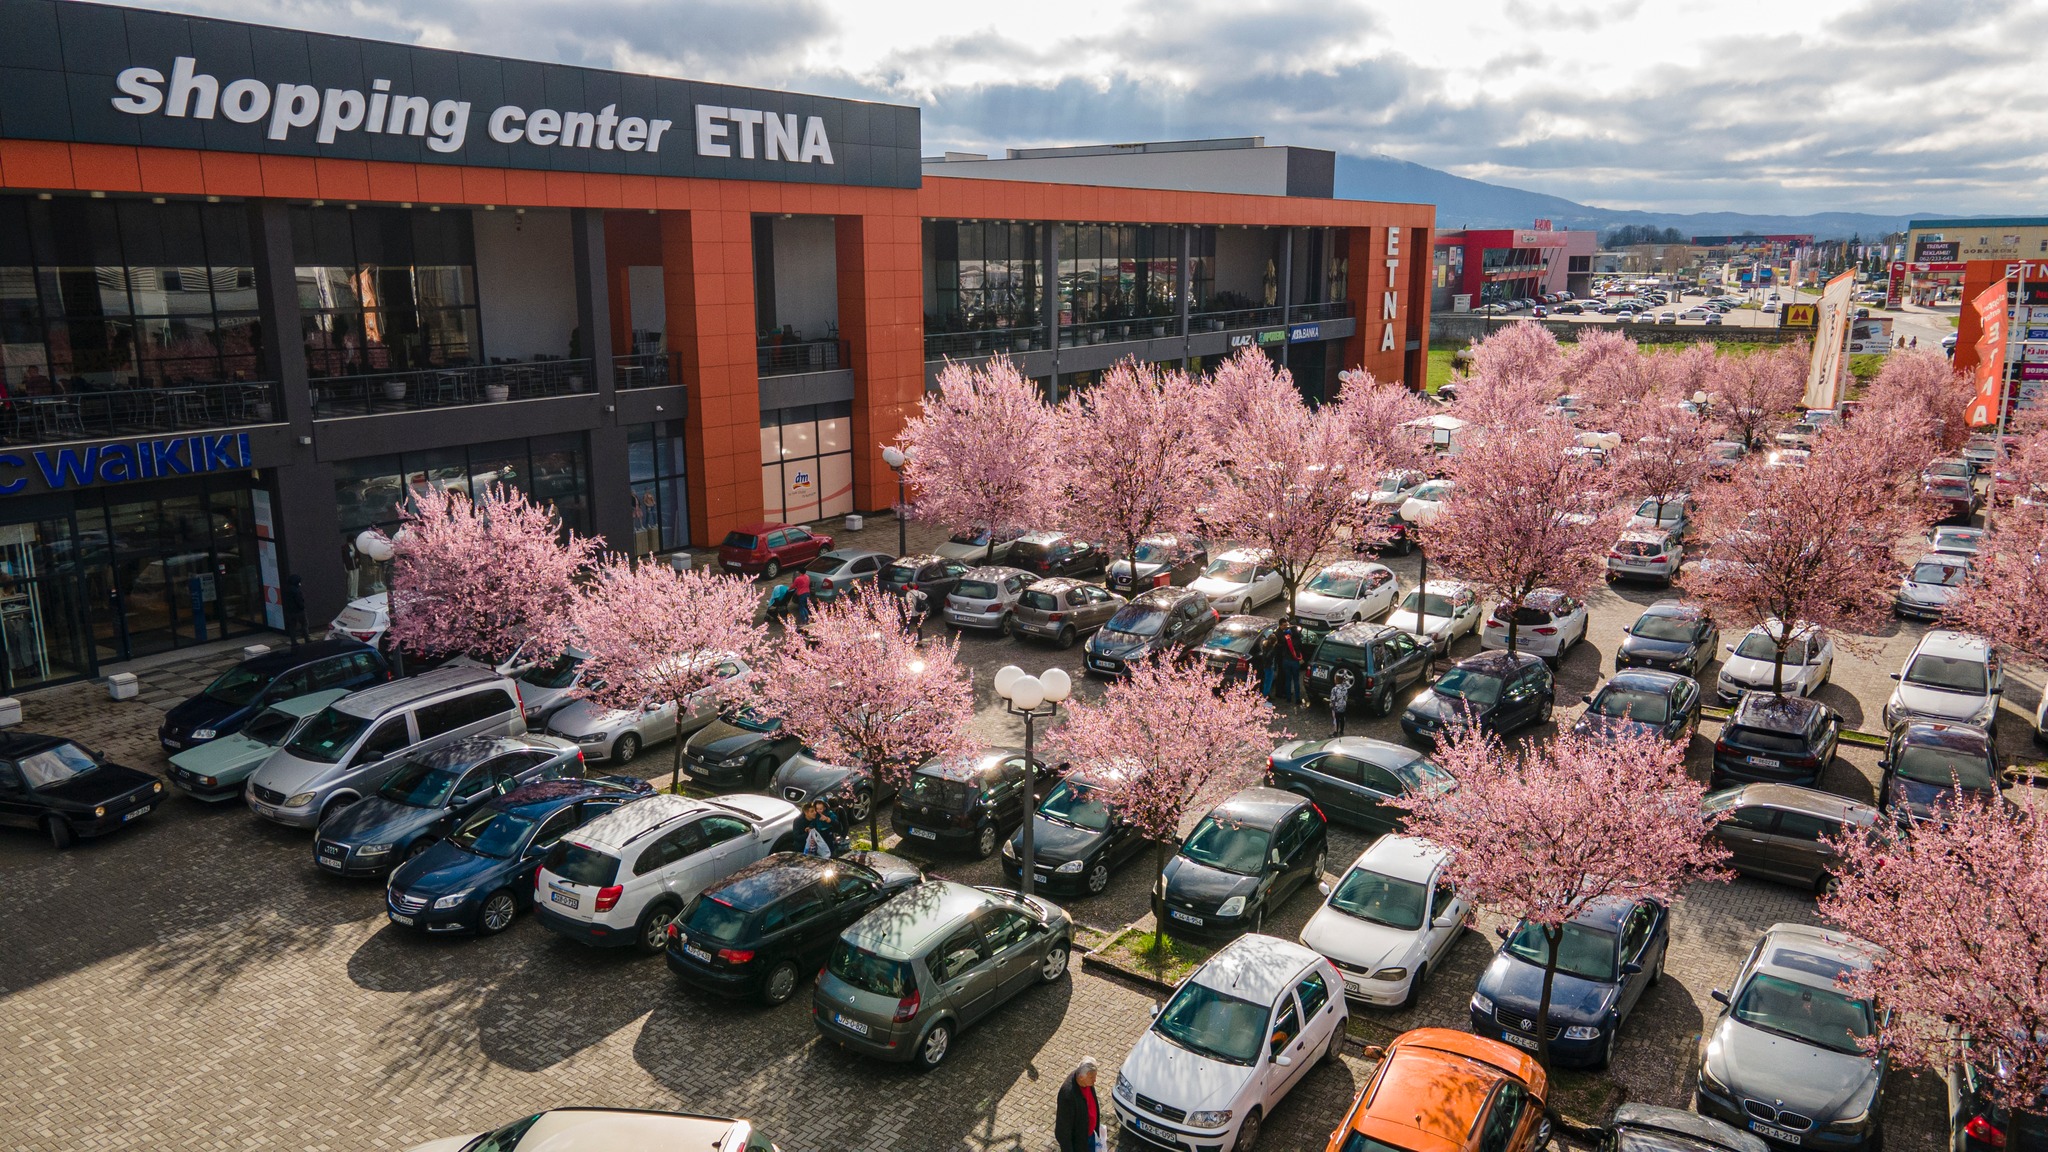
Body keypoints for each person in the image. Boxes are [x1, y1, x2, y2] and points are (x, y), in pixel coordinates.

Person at [1055, 1056, 1104, 1152]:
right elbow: (1063, 1130)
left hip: (1090, 1135)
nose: (1095, 1080)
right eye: (1092, 1077)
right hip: (1080, 1144)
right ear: (1081, 1077)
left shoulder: (1086, 1081)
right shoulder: (1067, 1095)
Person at [1276, 624, 1306, 707]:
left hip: (1286, 661)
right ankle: (1297, 698)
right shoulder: (1298, 640)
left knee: (1288, 679)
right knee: (1296, 680)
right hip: (1294, 661)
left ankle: (1288, 698)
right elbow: (1301, 649)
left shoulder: (1287, 639)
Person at [282, 574, 309, 644]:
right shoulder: (296, 590)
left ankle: (293, 641)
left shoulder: (286, 589)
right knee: (304, 624)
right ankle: (307, 638)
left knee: (292, 627)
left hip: (289, 612)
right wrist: (302, 606)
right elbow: (299, 601)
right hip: (299, 611)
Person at [1329, 667, 1354, 737]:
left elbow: (1333, 698)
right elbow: (1346, 697)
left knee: (1336, 719)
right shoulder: (1345, 689)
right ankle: (1341, 730)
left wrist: (1331, 705)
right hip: (1343, 705)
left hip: (1336, 706)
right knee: (1342, 718)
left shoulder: (1334, 689)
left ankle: (1335, 732)